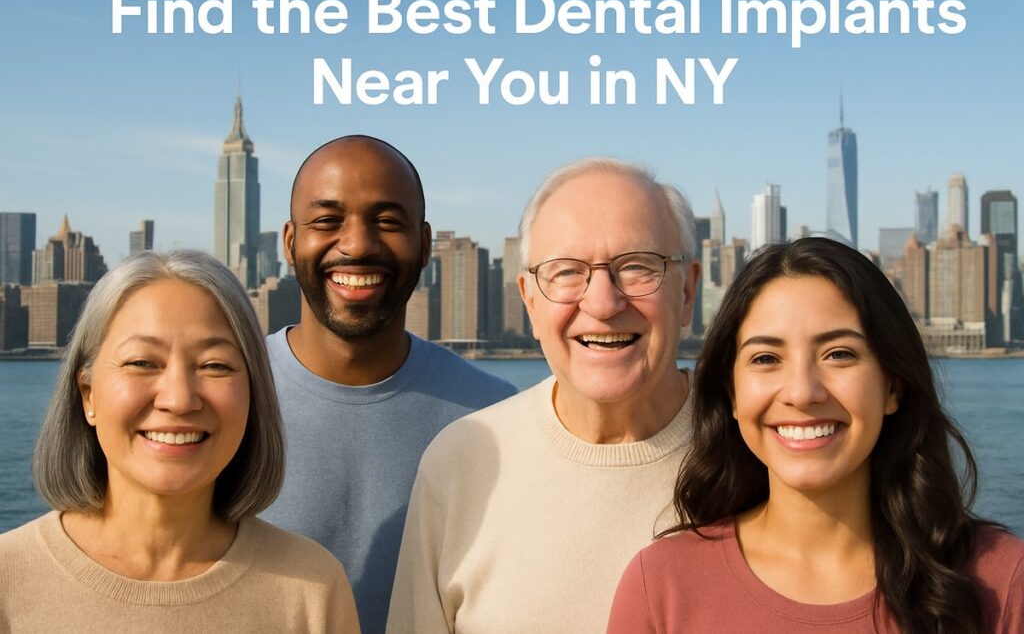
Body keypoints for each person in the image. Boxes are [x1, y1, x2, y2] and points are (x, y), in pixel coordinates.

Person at [607, 237, 1024, 633]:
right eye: (766, 358)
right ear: (732, 394)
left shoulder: (1002, 581)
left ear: (892, 386)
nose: (803, 392)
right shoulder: (662, 586)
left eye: (839, 354)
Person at [387, 158, 703, 633]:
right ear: (530, 301)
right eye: (566, 272)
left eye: (637, 267)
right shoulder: (461, 462)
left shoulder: (762, 453)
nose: (602, 302)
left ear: (688, 291)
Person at [0, 250, 360, 632]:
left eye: (214, 366)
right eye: (142, 362)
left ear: (254, 395)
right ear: (88, 395)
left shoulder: (312, 589)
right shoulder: (8, 580)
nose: (179, 399)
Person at [260, 135, 516, 633]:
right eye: (328, 221)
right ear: (290, 243)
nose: (357, 244)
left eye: (387, 221)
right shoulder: (225, 402)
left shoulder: (496, 416)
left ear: (424, 244)